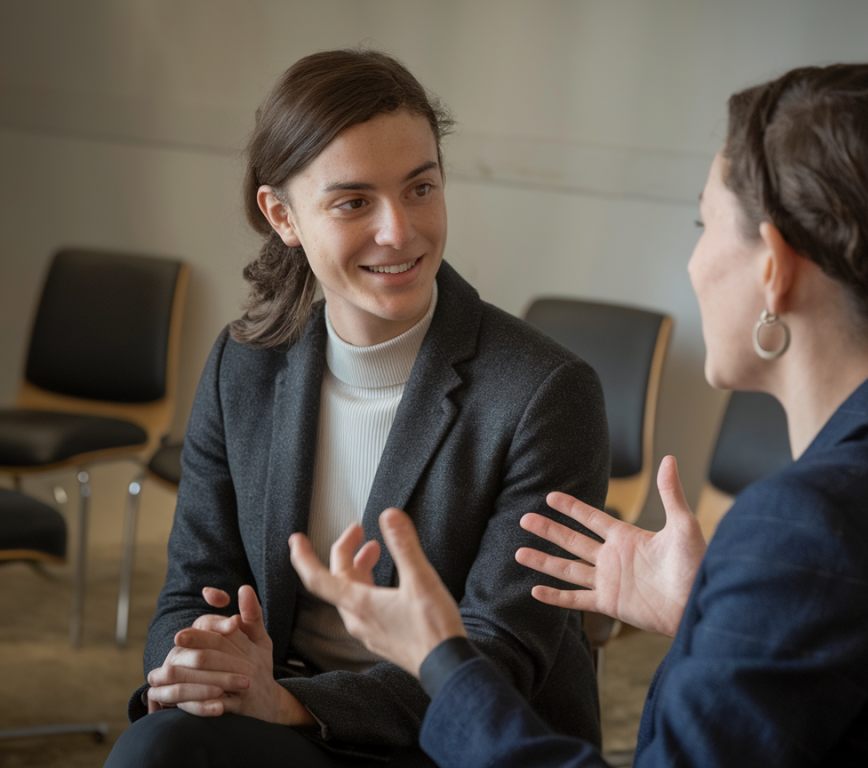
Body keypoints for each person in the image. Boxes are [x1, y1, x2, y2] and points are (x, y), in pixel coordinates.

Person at [289, 62, 868, 767]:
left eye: (704, 226)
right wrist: (715, 612)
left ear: (774, 265)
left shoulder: (806, 530)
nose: (694, 264)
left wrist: (438, 657)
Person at [105, 49, 608, 767]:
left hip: (455, 740)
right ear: (282, 215)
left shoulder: (546, 393)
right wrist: (199, 667)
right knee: (158, 746)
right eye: (353, 202)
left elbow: (499, 655)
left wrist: (294, 705)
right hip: (286, 713)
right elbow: (197, 583)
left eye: (421, 189)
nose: (399, 231)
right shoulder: (243, 364)